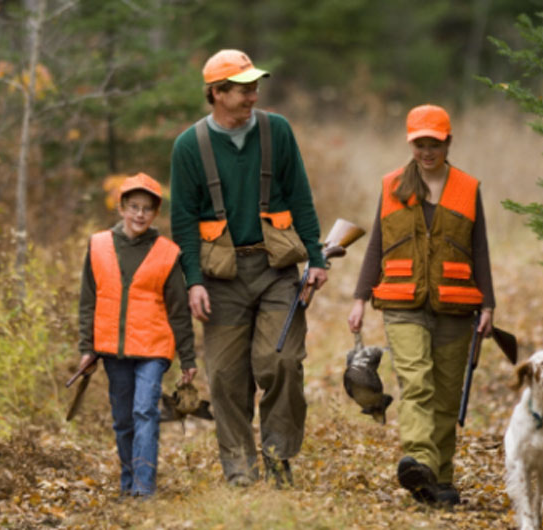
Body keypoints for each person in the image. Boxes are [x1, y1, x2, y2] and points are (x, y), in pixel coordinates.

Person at [170, 49, 327, 488]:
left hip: (276, 268)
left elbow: (300, 196)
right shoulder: (189, 145)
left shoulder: (277, 131)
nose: (253, 95)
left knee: (281, 362)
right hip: (220, 277)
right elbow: (182, 220)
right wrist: (193, 282)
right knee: (224, 376)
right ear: (217, 93)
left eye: (255, 86)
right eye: (243, 89)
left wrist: (315, 258)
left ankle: (278, 457)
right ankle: (239, 468)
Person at [347, 104, 495, 506]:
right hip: (402, 302)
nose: (427, 152)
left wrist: (489, 305)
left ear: (448, 142)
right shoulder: (393, 185)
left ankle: (440, 481)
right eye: (419, 144)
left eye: (434, 144)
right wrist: (360, 298)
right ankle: (419, 460)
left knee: (447, 395)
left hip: (456, 305)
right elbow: (377, 242)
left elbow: (478, 249)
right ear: (410, 144)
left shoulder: (467, 187)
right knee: (416, 384)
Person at [76, 172, 197, 498]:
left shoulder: (167, 253)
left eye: (146, 208)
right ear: (121, 208)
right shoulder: (98, 245)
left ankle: (144, 488)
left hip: (153, 348)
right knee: (123, 419)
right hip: (112, 350)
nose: (140, 214)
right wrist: (86, 348)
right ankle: (128, 482)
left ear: (155, 213)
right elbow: (88, 300)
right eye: (134, 207)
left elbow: (178, 309)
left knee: (145, 410)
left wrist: (188, 356)